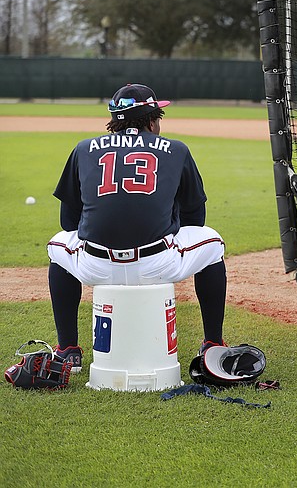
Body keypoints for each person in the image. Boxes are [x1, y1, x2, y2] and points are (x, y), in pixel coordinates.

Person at [46, 83, 228, 372]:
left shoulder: (83, 149)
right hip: (157, 264)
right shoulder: (176, 149)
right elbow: (197, 218)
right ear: (153, 119)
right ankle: (213, 344)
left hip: (95, 266)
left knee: (59, 246)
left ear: (114, 119)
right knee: (213, 242)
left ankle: (68, 349)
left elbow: (68, 222)